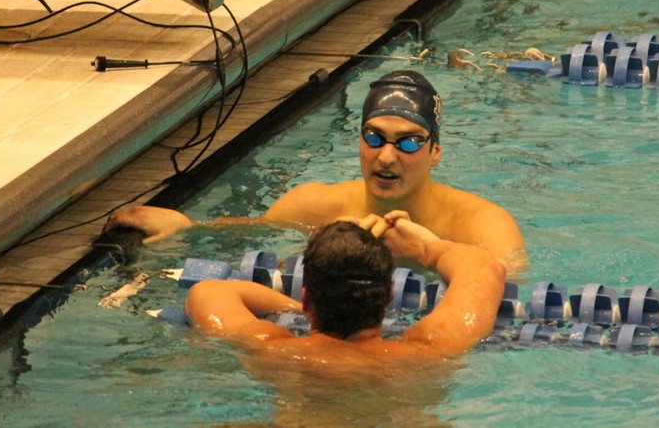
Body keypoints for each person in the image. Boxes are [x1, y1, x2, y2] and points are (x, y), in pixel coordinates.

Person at [105, 70, 527, 272]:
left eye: (410, 142)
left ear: (435, 152)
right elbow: (248, 235)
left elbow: (510, 278)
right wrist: (186, 228)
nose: (386, 156)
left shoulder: (479, 222)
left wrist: (429, 253)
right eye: (374, 136)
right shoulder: (314, 203)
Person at [184, 213, 506, 424]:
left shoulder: (271, 352)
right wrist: (425, 247)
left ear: (308, 298)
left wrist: (293, 307)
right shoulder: (430, 352)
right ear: (389, 297)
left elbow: (208, 292)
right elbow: (484, 267)